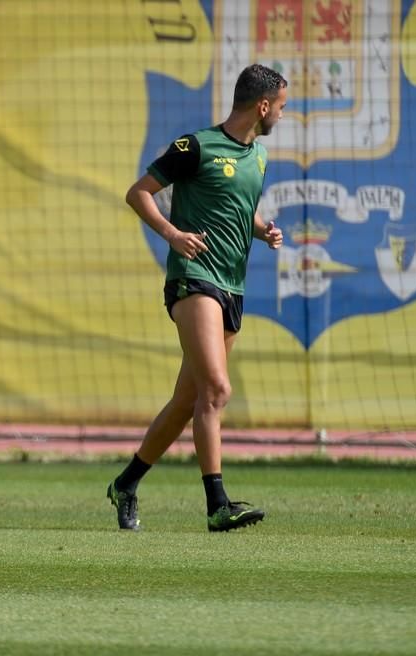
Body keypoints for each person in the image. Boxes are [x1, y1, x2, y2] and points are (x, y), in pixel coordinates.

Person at [106, 64, 287, 532]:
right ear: (262, 105)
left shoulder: (260, 157)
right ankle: (217, 504)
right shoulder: (196, 146)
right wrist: (172, 233)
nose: (282, 117)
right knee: (219, 390)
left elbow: (237, 207)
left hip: (232, 286)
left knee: (188, 399)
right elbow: (138, 193)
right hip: (194, 278)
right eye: (281, 107)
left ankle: (125, 484)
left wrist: (262, 229)